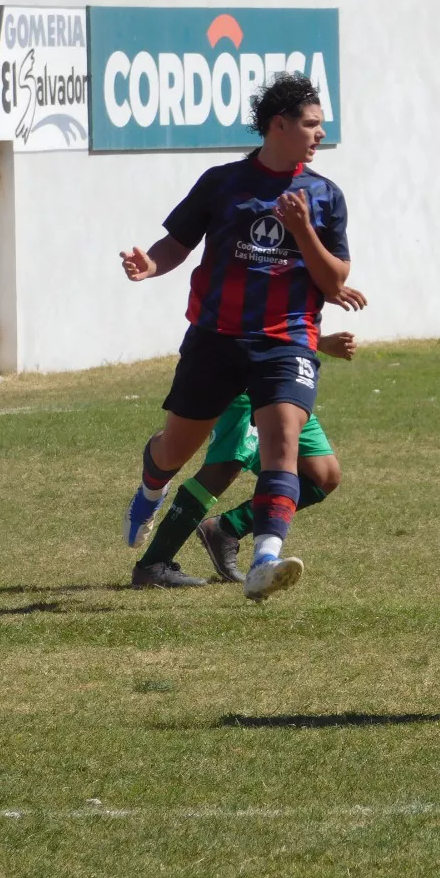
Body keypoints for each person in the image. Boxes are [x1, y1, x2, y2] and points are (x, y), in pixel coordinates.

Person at [118, 73, 359, 603]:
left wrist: (303, 233)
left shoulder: (325, 196)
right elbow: (176, 244)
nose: (321, 135)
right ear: (280, 124)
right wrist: (149, 264)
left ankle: (265, 560)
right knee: (175, 448)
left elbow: (335, 281)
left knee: (283, 442)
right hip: (217, 338)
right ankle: (150, 488)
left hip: (287, 341)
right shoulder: (221, 182)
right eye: (312, 125)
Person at [130, 325, 360, 589]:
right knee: (224, 466)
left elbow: (292, 311)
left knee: (323, 475)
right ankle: (153, 564)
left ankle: (225, 530)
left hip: (284, 374)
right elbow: (256, 308)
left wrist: (318, 339)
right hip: (241, 368)